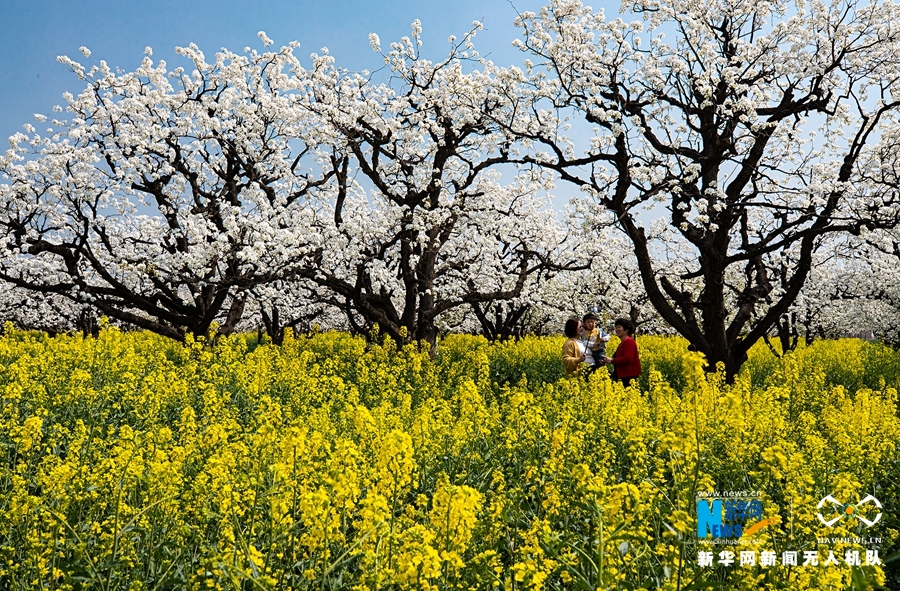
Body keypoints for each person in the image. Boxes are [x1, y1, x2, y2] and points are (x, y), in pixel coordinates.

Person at [601, 318, 641, 387]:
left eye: (619, 327)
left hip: (628, 376)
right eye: (616, 328)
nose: (616, 330)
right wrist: (607, 360)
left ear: (626, 329)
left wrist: (611, 360)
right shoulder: (623, 342)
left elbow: (628, 358)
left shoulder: (629, 341)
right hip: (622, 375)